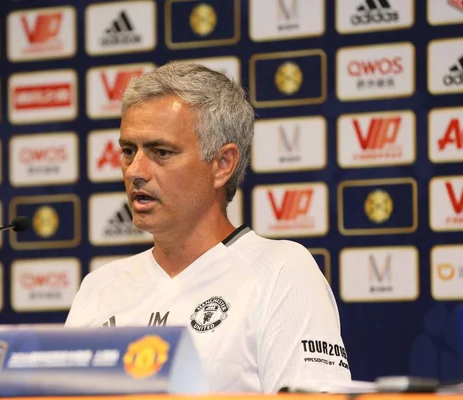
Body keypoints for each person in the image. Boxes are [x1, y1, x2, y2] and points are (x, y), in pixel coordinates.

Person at [65, 62, 351, 393]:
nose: (135, 171)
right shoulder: (98, 287)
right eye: (128, 151)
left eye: (161, 152)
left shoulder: (281, 270)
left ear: (222, 165)